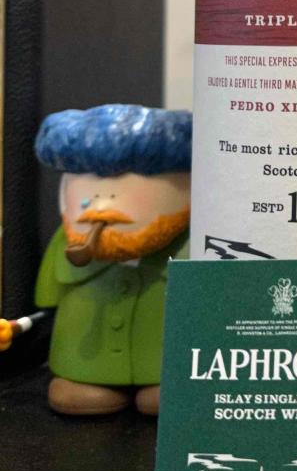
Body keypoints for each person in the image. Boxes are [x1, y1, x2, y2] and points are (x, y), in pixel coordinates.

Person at [32, 105, 191, 415]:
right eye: (87, 183)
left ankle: (170, 381)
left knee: (168, 391)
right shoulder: (66, 243)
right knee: (76, 393)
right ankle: (83, 379)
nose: (102, 204)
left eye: (128, 183)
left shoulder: (195, 245)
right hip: (84, 361)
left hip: (166, 363)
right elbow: (47, 301)